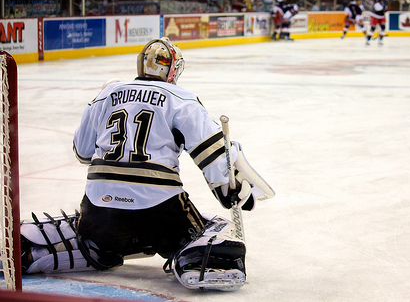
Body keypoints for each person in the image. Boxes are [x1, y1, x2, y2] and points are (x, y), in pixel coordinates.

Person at [17, 37, 274, 291]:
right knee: (216, 228)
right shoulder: (181, 98)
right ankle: (193, 259)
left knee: (95, 243)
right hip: (159, 208)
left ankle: (34, 252)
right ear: (173, 69)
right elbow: (214, 154)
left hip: (99, 206)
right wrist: (229, 190)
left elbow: (82, 152)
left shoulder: (108, 93)